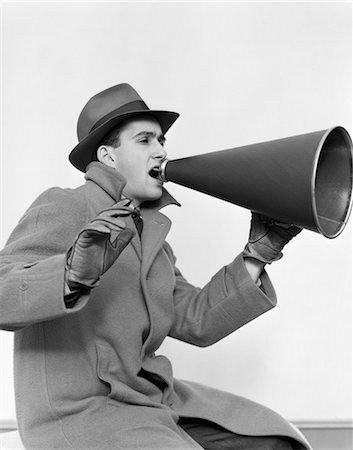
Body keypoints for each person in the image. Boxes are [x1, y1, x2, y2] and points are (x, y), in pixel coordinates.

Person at [0, 83, 311, 449]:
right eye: (145, 140)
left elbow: (197, 320)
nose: (162, 151)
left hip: (149, 401)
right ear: (107, 156)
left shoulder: (149, 234)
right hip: (82, 411)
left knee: (274, 442)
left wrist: (258, 253)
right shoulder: (65, 206)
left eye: (161, 140)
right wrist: (71, 274)